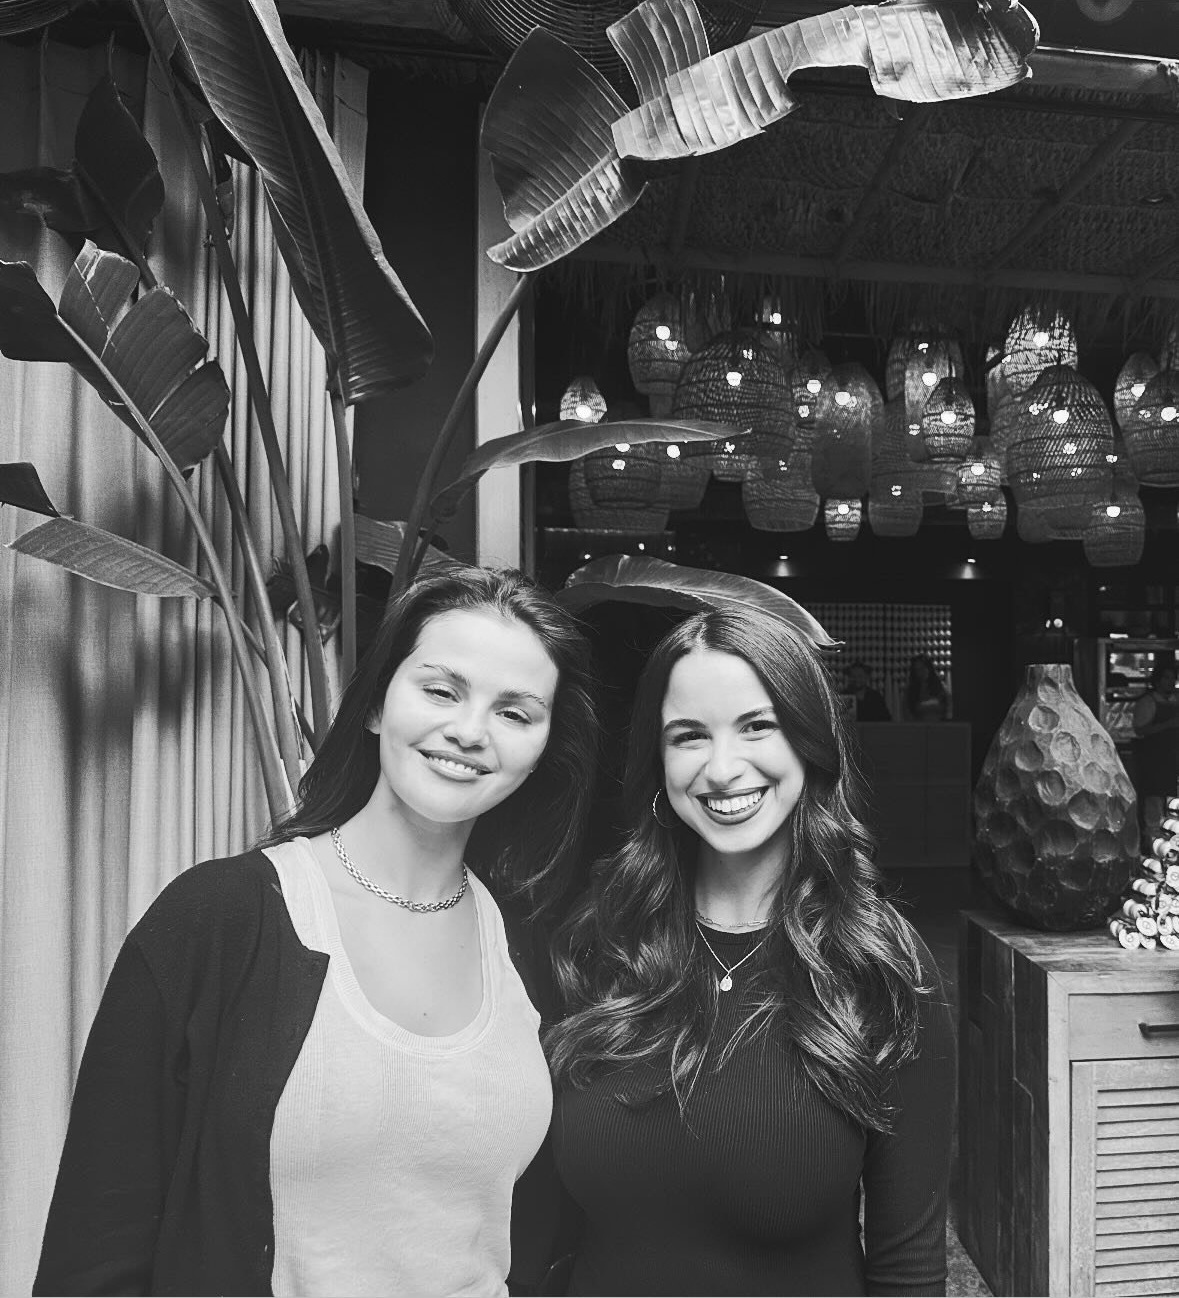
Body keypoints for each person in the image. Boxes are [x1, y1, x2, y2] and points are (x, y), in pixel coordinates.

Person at [34, 567, 599, 1298]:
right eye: (440, 691)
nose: (469, 731)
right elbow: (94, 1252)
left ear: (544, 747)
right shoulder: (219, 918)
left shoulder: (537, 954)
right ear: (376, 705)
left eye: (515, 713)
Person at [545, 608, 955, 1297]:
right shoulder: (600, 938)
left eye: (757, 726)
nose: (722, 768)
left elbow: (907, 1267)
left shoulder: (879, 964)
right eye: (689, 735)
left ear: (810, 741)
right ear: (657, 760)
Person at [1132, 661, 1179, 840]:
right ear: (1157, 680)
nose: (1171, 682)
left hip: (1173, 757)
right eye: (1166, 678)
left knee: (1171, 798)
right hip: (1154, 758)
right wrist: (1168, 725)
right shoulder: (1147, 702)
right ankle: (1153, 838)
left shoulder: (1175, 700)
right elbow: (1140, 730)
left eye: (1173, 678)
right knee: (1154, 798)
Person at [903, 652, 949, 722]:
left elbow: (948, 711)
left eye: (923, 668)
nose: (921, 672)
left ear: (929, 668)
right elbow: (907, 714)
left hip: (939, 726)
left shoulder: (941, 688)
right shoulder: (910, 691)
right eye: (918, 670)